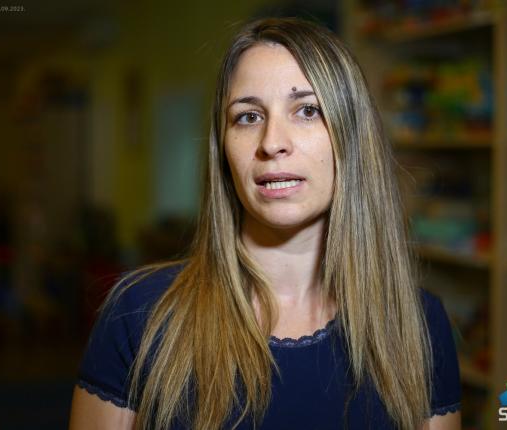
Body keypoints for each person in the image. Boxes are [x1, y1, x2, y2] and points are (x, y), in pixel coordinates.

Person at [69, 17, 461, 430]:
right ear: (223, 149)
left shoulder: (418, 323)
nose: (272, 142)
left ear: (352, 137)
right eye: (248, 117)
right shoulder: (138, 314)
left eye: (307, 110)